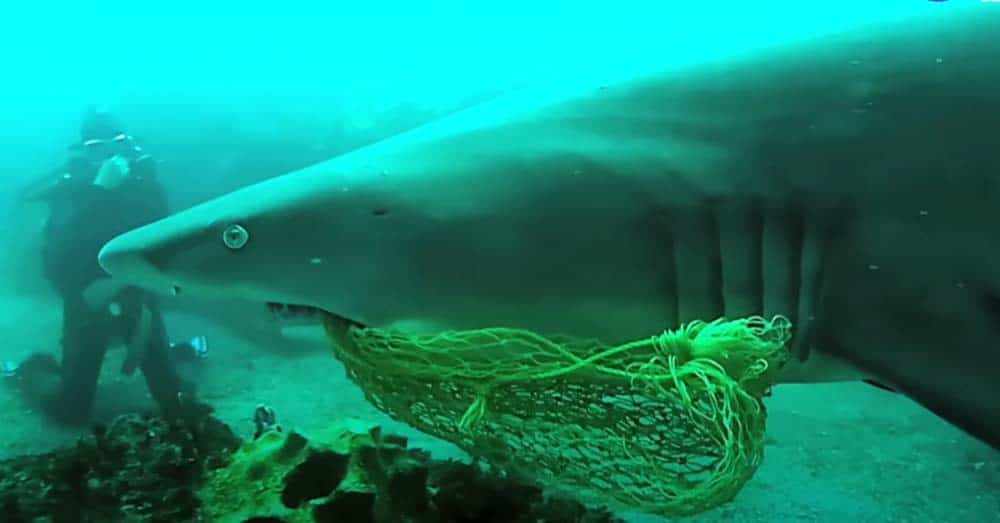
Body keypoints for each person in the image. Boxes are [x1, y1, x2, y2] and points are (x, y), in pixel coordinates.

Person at [6, 108, 208, 425]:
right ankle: (32, 369)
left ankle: (183, 354)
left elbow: (165, 233)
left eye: (116, 144)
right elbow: (63, 253)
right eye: (97, 148)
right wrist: (97, 191)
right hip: (87, 298)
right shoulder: (72, 188)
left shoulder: (143, 180)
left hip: (137, 294)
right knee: (70, 411)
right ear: (85, 151)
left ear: (127, 144)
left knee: (177, 399)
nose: (109, 155)